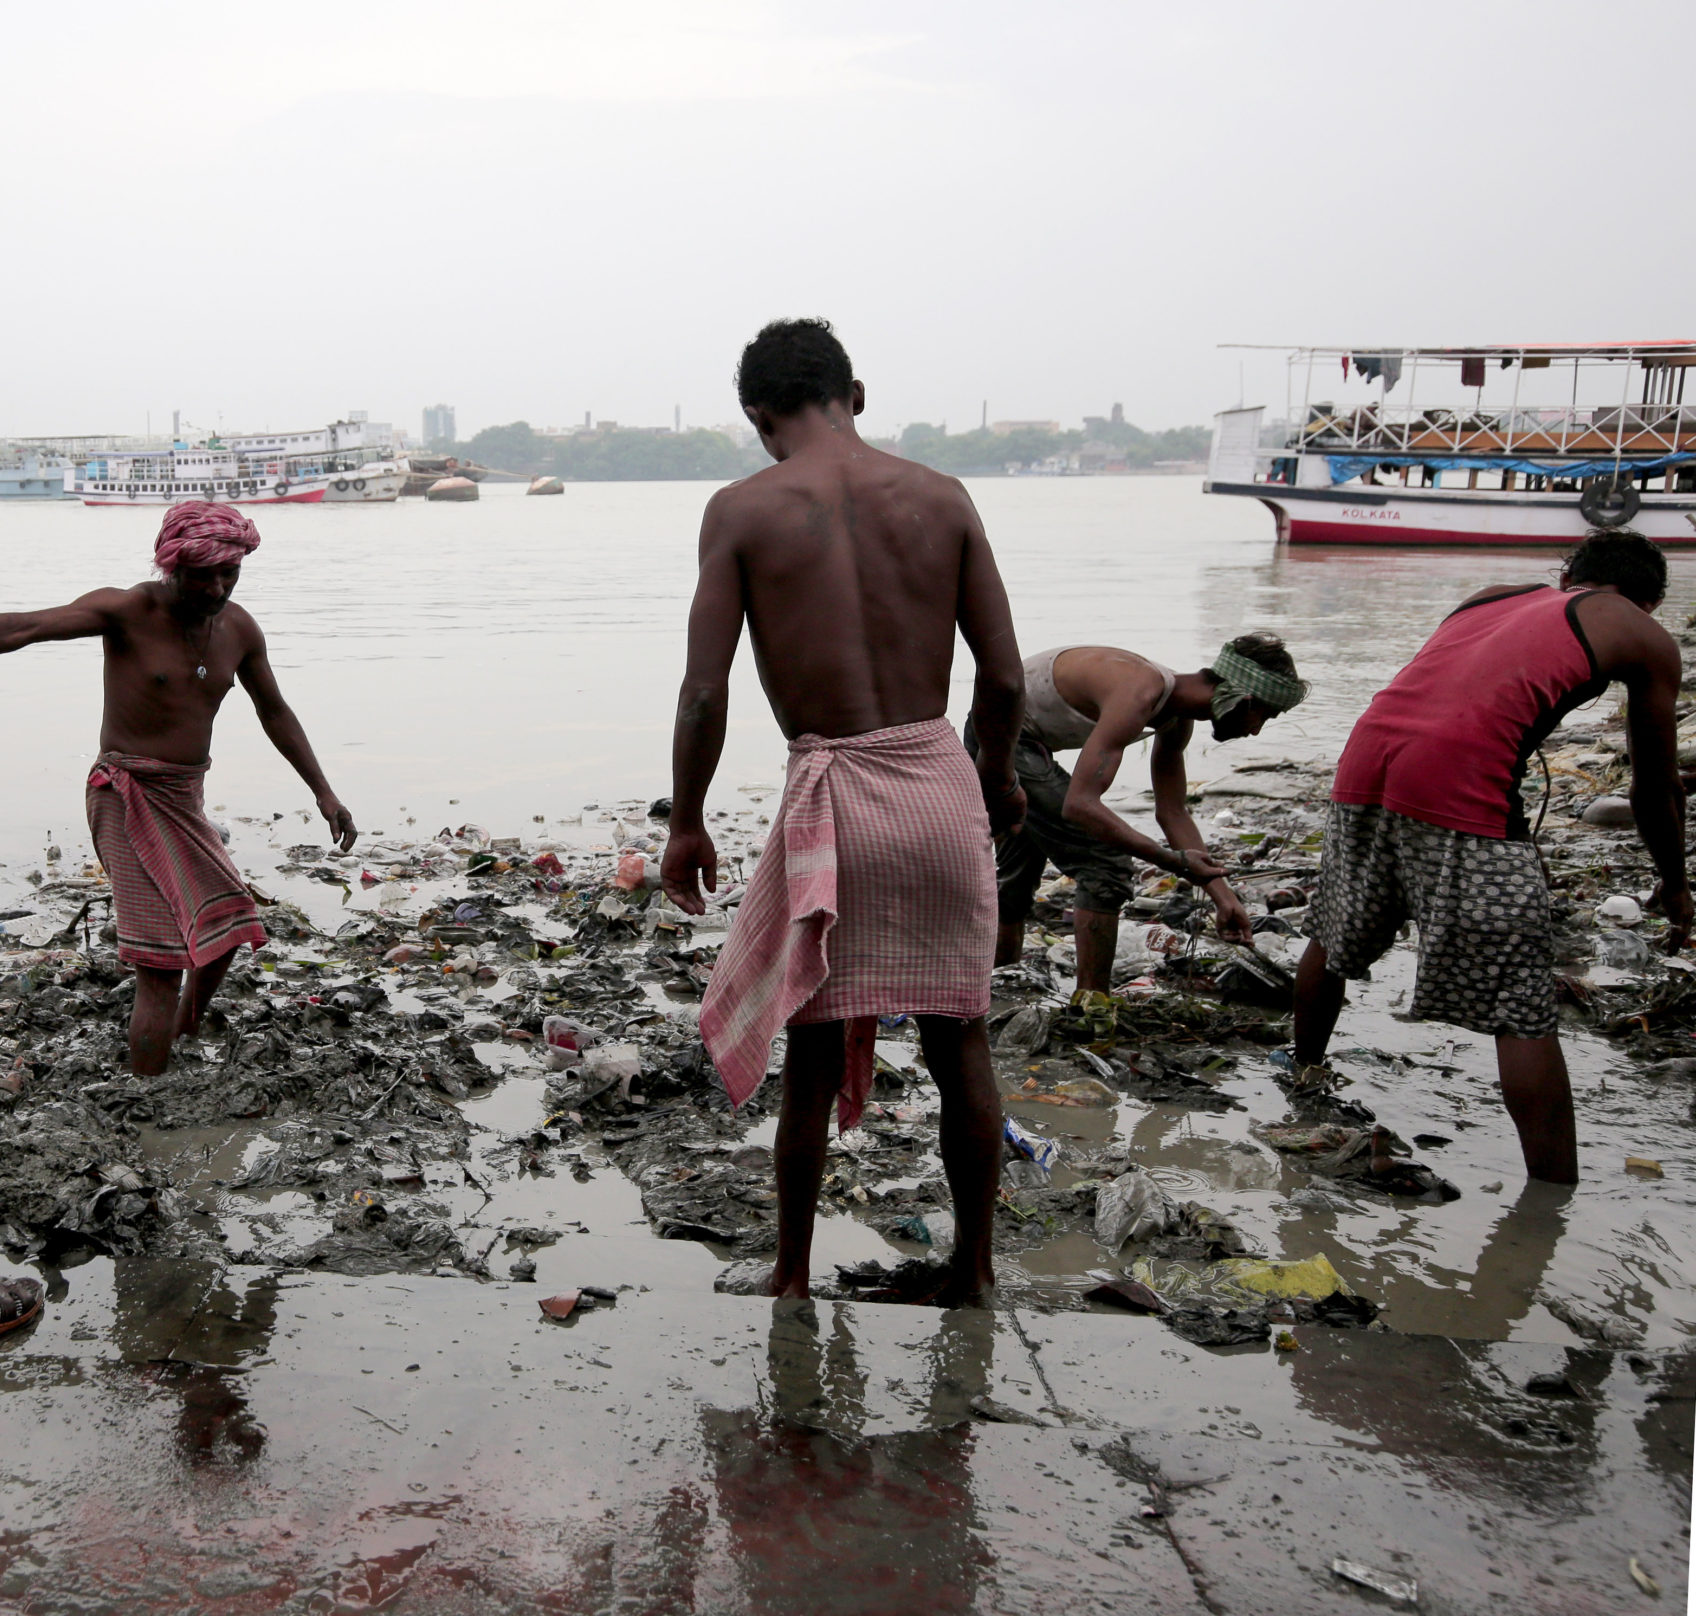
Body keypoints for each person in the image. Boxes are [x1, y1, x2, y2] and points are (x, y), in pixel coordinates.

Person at [664, 317, 1027, 1306]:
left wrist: (686, 820)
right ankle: (975, 1272)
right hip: (938, 783)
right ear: (854, 394)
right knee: (959, 1038)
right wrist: (996, 778)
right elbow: (1001, 678)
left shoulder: (740, 510)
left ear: (757, 416)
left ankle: (790, 1274)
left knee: (815, 1047)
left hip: (835, 799)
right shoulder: (942, 497)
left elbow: (704, 692)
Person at [0, 501, 358, 1076]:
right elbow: (20, 628)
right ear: (172, 566)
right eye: (202, 575)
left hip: (185, 797)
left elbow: (274, 711)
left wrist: (324, 793)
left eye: (229, 573)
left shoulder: (239, 628)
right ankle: (148, 1089)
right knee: (161, 967)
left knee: (227, 925)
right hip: (124, 792)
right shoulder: (128, 610)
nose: (217, 587)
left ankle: (185, 1029)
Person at [1293, 531, 1689, 1184]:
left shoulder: (1492, 596)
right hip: (1454, 779)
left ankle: (1302, 1073)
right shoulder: (1640, 632)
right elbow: (1654, 786)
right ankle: (1551, 1201)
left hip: (1366, 758)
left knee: (1333, 930)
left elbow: (1467, 702)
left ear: (1569, 577)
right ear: (1649, 601)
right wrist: (1675, 885)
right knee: (1522, 1001)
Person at [983, 635, 1306, 996]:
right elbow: (1080, 805)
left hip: (1019, 737)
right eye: (1264, 715)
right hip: (997, 738)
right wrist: (1172, 860)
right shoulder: (1140, 693)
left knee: (1018, 874)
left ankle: (997, 986)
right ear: (1242, 700)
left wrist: (1224, 898)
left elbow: (1173, 812)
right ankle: (1091, 1004)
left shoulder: (1175, 714)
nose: (1256, 730)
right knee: (1105, 862)